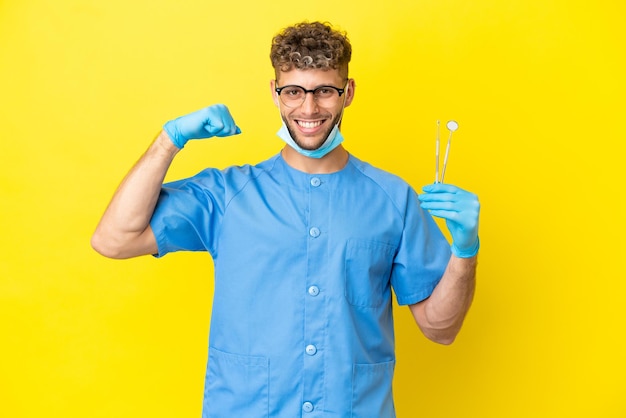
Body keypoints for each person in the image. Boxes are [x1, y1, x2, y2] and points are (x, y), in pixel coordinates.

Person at [92, 21, 480, 418]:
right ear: (274, 93)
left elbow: (441, 328)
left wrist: (465, 251)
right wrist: (169, 140)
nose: (308, 108)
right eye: (293, 91)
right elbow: (114, 240)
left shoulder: (393, 199)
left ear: (347, 93)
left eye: (324, 91)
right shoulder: (227, 195)